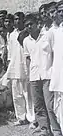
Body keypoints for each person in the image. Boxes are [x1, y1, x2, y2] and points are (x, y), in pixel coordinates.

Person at [23, 14, 62, 135]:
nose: (29, 27)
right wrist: (29, 75)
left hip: (47, 74)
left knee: (50, 106)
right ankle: (45, 129)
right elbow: (28, 58)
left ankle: (56, 130)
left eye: (31, 24)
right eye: (27, 25)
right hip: (34, 76)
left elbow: (54, 54)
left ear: (37, 24)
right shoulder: (26, 41)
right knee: (38, 105)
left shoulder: (47, 35)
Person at [6, 12, 35, 126]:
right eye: (15, 19)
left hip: (25, 67)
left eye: (19, 19)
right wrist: (9, 65)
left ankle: (32, 119)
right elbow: (10, 52)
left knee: (28, 95)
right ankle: (21, 117)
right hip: (14, 67)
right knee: (17, 95)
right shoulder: (12, 35)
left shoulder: (28, 34)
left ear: (23, 20)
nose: (17, 21)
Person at [47, 1, 63, 134]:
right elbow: (51, 54)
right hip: (59, 74)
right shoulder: (54, 31)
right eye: (59, 11)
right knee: (59, 106)